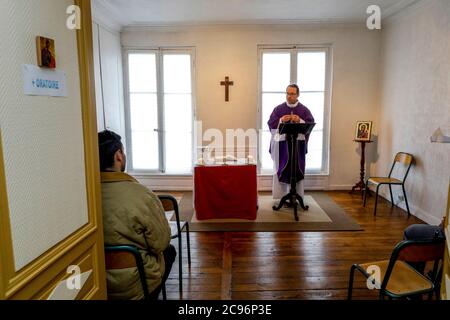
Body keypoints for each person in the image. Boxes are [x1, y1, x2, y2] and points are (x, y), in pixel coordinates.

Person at [98, 130, 176, 300]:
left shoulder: (84, 197)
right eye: (123, 151)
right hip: (136, 282)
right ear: (118, 155)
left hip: (96, 281)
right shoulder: (142, 195)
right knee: (169, 251)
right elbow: (161, 243)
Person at [267, 84, 315, 201]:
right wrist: (281, 120)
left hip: (297, 146)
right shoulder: (278, 109)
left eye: (292, 94)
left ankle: (295, 195)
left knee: (296, 168)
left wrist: (300, 120)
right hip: (282, 146)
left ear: (298, 95)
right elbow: (271, 124)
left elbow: (310, 124)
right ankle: (281, 196)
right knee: (282, 167)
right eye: (287, 93)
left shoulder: (304, 110)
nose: (289, 96)